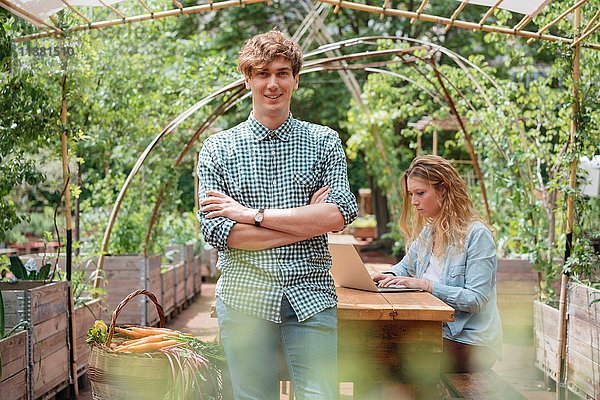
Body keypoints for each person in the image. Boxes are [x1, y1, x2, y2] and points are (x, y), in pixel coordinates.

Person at [196, 30, 358, 400]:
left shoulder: (324, 142)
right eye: (263, 73)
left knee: (321, 395)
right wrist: (308, 222)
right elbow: (220, 232)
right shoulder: (218, 149)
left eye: (283, 73)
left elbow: (339, 213)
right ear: (247, 79)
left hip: (311, 293)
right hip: (244, 296)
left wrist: (250, 215)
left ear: (295, 80)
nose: (273, 83)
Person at [371, 155, 503, 373]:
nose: (414, 202)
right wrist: (386, 275)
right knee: (379, 348)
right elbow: (405, 267)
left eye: (420, 193)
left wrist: (426, 286)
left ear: (443, 190)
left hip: (471, 342)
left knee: (391, 357)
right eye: (412, 194)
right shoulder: (430, 231)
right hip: (437, 333)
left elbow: (476, 299)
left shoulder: (476, 235)